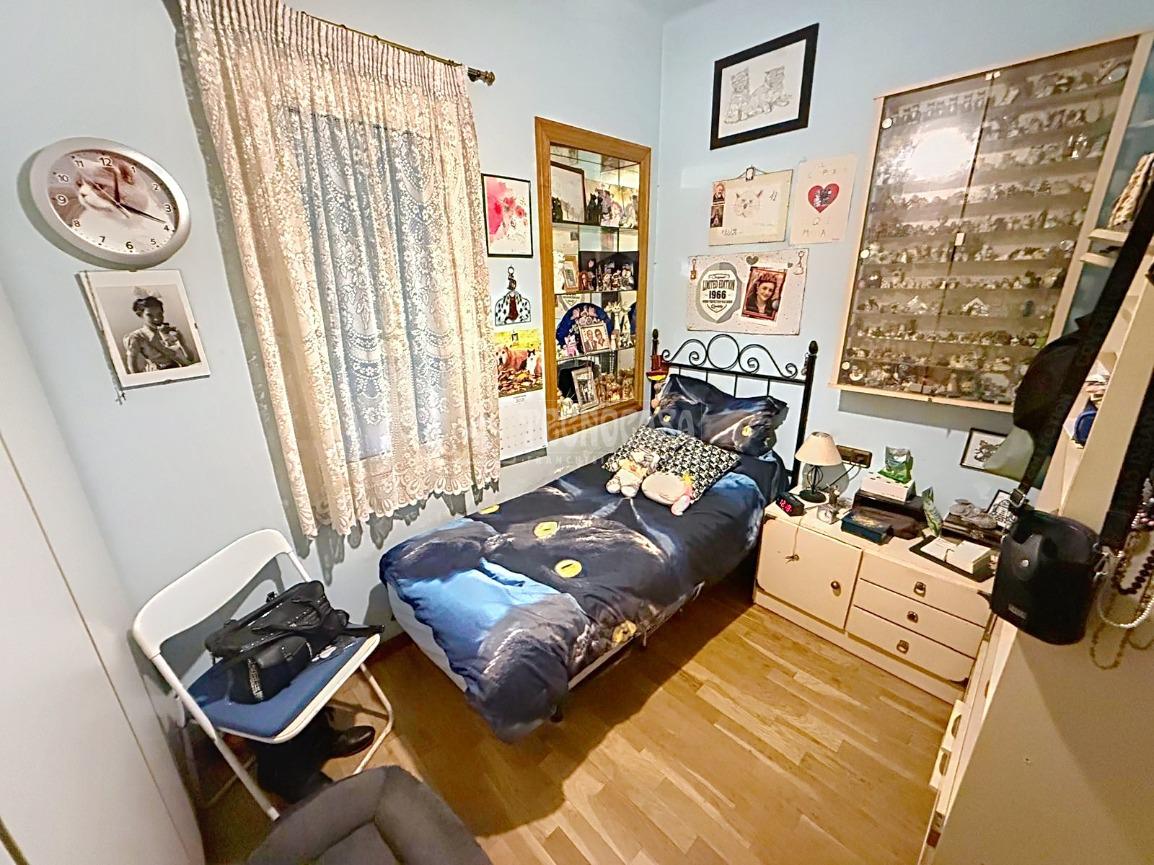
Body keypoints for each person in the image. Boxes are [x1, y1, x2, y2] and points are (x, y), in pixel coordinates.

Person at [123, 295, 196, 373]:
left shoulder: (169, 332)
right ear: (141, 315)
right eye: (149, 315)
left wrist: (182, 343)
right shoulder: (136, 337)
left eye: (159, 314)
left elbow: (190, 359)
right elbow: (133, 369)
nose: (156, 319)